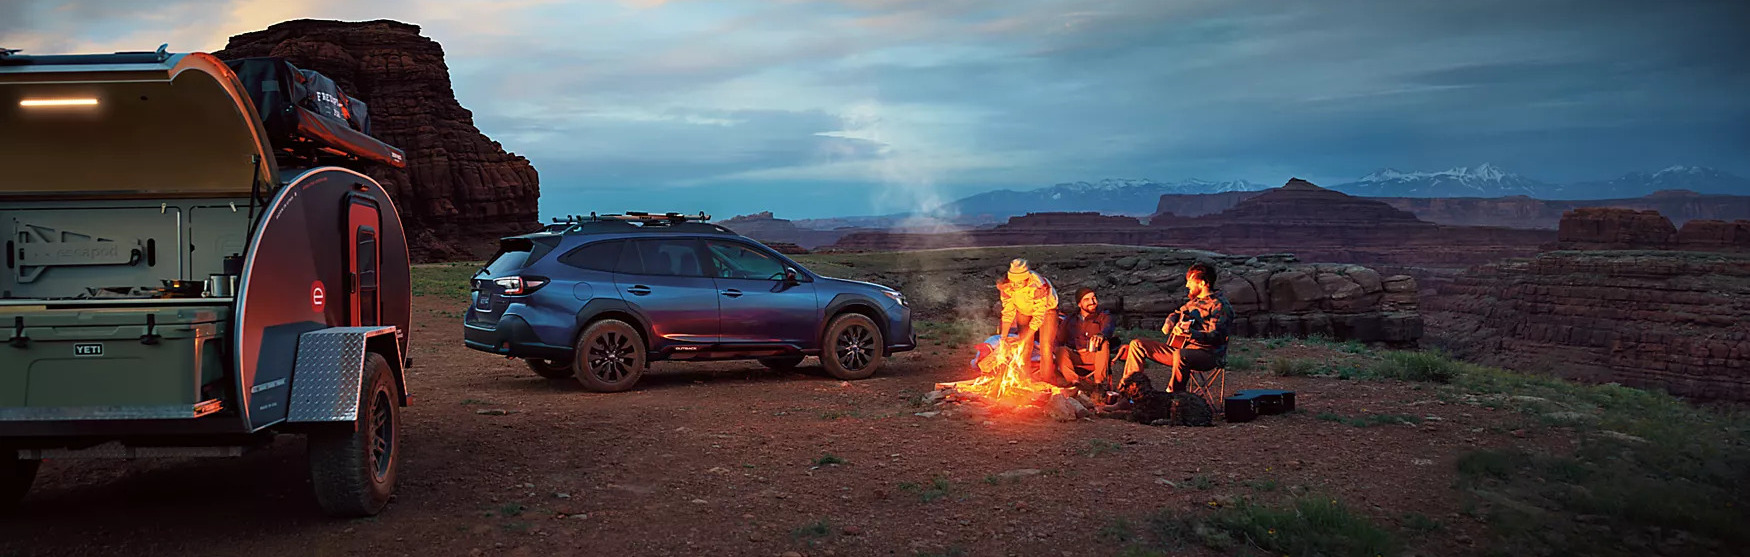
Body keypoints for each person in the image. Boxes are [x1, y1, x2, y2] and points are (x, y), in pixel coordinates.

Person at [1117, 261, 1233, 392]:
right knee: (1137, 345)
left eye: (1190, 281)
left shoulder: (1220, 306)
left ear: (1202, 283)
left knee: (1181, 354)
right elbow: (1177, 313)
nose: (1187, 285)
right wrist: (1170, 322)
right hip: (1182, 350)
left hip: (1208, 355)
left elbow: (1216, 337)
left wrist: (1190, 333)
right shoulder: (1194, 303)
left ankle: (1174, 397)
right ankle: (1128, 392)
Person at [996, 258, 1058, 379]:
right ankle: (1024, 381)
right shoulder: (1007, 286)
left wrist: (1026, 338)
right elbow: (1008, 312)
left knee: (1045, 347)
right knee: (1024, 347)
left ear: (1026, 278)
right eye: (1014, 282)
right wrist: (1003, 338)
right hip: (1023, 309)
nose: (1016, 285)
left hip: (1046, 311)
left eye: (1020, 282)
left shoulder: (1038, 287)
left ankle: (1047, 382)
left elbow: (1038, 317)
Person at [1053, 287, 1114, 393]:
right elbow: (1059, 339)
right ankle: (1075, 382)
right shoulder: (1070, 319)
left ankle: (1098, 385)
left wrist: (1101, 335)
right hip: (1076, 355)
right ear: (1079, 304)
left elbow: (1108, 328)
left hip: (1095, 355)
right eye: (1087, 299)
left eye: (1094, 298)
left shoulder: (1103, 316)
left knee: (1104, 343)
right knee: (1060, 350)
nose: (1092, 302)